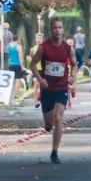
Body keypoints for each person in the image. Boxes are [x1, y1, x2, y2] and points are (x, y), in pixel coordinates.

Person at [29, 18, 78, 164]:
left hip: (61, 87)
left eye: (59, 27)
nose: (57, 30)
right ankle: (48, 126)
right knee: (49, 125)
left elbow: (75, 65)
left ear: (63, 30)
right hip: (47, 88)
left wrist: (72, 76)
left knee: (58, 118)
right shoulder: (43, 47)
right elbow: (32, 64)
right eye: (55, 27)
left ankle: (54, 152)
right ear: (51, 30)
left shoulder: (68, 48)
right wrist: (40, 80)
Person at [7, 35, 25, 104]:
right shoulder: (18, 46)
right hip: (17, 64)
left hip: (10, 64)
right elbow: (20, 56)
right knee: (18, 80)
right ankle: (15, 95)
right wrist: (22, 66)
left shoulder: (8, 46)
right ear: (18, 39)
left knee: (12, 81)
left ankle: (10, 94)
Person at [29, 33, 44, 108]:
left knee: (42, 85)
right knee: (36, 84)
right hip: (35, 69)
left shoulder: (45, 48)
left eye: (40, 38)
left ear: (42, 39)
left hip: (43, 69)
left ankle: (40, 96)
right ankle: (36, 102)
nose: (39, 40)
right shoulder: (32, 49)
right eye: (38, 38)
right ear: (35, 39)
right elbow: (31, 58)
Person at [65, 38, 78, 108]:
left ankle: (73, 91)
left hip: (73, 72)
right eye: (68, 43)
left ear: (73, 44)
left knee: (72, 88)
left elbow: (80, 61)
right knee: (68, 88)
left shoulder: (76, 52)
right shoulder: (63, 51)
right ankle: (69, 102)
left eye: (71, 43)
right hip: (65, 72)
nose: (70, 44)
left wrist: (77, 67)